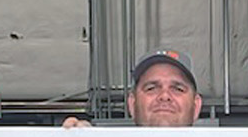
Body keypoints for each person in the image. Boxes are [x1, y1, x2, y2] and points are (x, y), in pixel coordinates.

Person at [60, 50, 204, 129]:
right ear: (132, 104)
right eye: (151, 88)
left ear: (196, 105)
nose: (164, 96)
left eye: (177, 89)